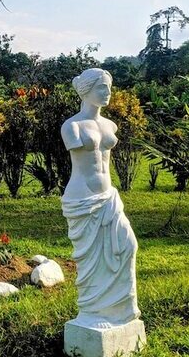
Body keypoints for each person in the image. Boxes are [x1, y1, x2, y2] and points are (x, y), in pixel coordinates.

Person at [60, 68, 141, 329]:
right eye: (101, 88)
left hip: (108, 197)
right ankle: (92, 313)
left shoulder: (110, 125)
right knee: (91, 261)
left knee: (128, 245)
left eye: (109, 87)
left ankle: (121, 309)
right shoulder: (71, 126)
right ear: (86, 90)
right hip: (83, 198)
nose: (107, 93)